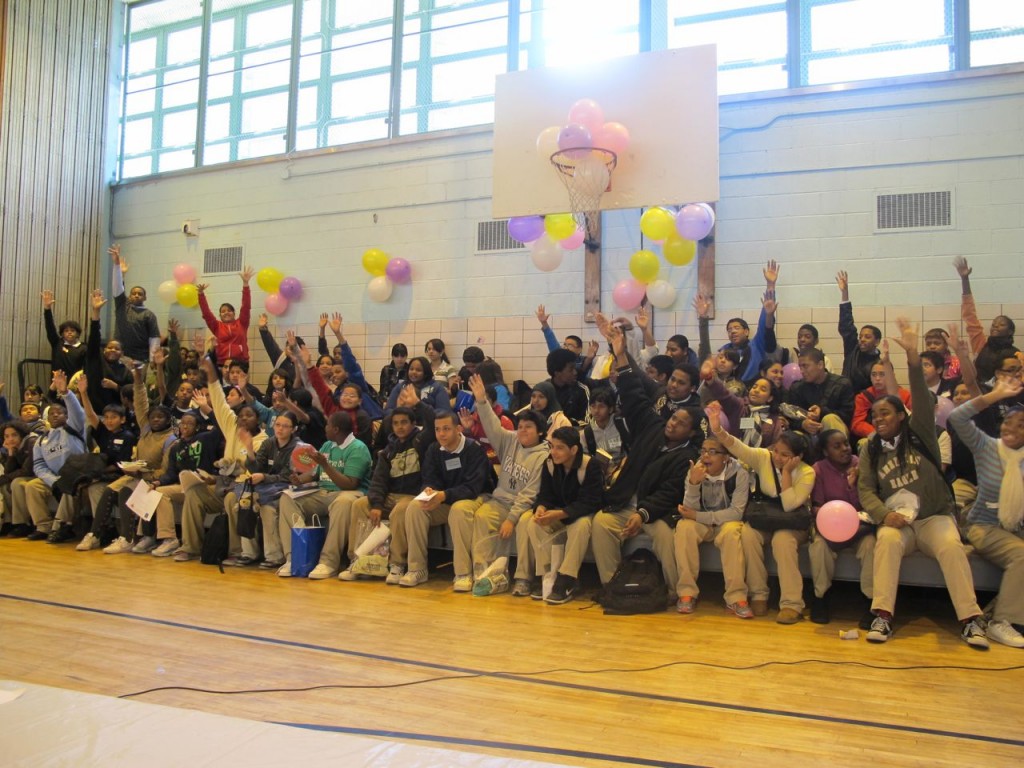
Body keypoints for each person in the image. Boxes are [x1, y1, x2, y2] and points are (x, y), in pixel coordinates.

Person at [857, 318, 989, 648]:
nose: (879, 420)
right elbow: (866, 490)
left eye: (885, 414)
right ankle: (882, 616)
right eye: (875, 416)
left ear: (902, 416)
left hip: (933, 518)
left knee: (950, 546)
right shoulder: (871, 448)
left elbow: (917, 389)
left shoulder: (922, 436)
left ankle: (971, 620)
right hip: (898, 523)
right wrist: (883, 515)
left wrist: (913, 356)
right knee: (885, 541)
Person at [590, 317, 701, 600]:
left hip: (656, 510)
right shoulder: (655, 421)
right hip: (629, 499)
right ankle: (612, 587)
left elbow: (669, 492)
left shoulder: (688, 450)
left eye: (680, 422)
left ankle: (676, 592)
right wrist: (619, 351)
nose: (673, 423)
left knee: (664, 536)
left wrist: (644, 513)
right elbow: (634, 391)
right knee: (602, 524)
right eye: (673, 417)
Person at [709, 403, 814, 624]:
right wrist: (719, 430)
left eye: (785, 455)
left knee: (783, 541)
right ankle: (758, 594)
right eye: (776, 450)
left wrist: (786, 473)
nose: (777, 457)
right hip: (766, 516)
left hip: (792, 523)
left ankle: (792, 604)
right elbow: (737, 447)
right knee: (748, 534)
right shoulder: (764, 457)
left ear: (798, 456)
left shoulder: (806, 472)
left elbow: (789, 506)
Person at [451, 373, 549, 596]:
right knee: (483, 516)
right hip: (500, 500)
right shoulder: (511, 439)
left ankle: (523, 578)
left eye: (528, 428)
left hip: (524, 507)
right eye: (520, 426)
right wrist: (481, 401)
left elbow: (531, 493)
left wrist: (511, 519)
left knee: (525, 523)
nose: (522, 431)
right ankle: (484, 574)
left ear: (540, 432)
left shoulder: (544, 455)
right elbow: (492, 426)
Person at [947, 378, 1024, 647]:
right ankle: (1000, 622)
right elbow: (957, 418)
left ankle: (990, 612)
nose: (1011, 429)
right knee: (1022, 556)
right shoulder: (987, 447)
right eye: (1008, 422)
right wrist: (994, 396)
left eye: (1021, 425)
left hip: (1016, 529)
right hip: (983, 526)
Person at [389, 410, 492, 589]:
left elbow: (473, 487)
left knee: (459, 510)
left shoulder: (473, 449)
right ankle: (417, 569)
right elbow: (429, 478)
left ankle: (463, 572)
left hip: (475, 496)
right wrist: (428, 491)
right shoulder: (434, 449)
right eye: (437, 429)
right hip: (445, 497)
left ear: (458, 429)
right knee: (415, 506)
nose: (441, 434)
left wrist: (444, 495)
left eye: (446, 429)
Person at [341, 402, 434, 586]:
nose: (400, 427)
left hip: (413, 496)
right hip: (391, 495)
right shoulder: (387, 451)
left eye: (404, 422)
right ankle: (358, 559)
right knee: (360, 504)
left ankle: (397, 564)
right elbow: (378, 481)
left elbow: (432, 425)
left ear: (413, 424)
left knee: (400, 510)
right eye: (396, 423)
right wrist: (376, 504)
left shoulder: (420, 442)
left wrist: (418, 403)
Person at [280, 411, 372, 579]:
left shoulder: (358, 448)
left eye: (328, 425)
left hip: (349, 493)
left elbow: (350, 484)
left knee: (343, 502)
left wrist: (326, 465)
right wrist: (299, 480)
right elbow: (315, 473)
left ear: (336, 429)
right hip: (323, 492)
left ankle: (328, 562)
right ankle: (294, 558)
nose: (325, 428)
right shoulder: (327, 446)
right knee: (287, 497)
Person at [673, 434, 752, 618]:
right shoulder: (695, 470)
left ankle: (736, 597)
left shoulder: (739, 473)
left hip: (727, 522)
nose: (705, 456)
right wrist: (693, 483)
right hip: (703, 523)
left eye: (712, 452)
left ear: (726, 457)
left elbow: (736, 512)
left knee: (732, 532)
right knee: (684, 527)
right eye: (703, 451)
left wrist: (697, 516)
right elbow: (689, 510)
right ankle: (686, 593)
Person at [525, 426, 605, 604]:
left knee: (581, 525)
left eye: (560, 448)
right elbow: (545, 494)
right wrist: (541, 508)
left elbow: (591, 502)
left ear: (574, 449)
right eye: (552, 446)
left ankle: (567, 580)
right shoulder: (549, 464)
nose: (554, 452)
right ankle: (547, 575)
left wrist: (561, 514)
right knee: (533, 523)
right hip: (559, 514)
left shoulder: (590, 465)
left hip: (582, 513)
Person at [807, 429, 875, 625]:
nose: (845, 449)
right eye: (837, 446)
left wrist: (851, 485)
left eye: (845, 444)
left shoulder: (860, 464)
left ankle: (871, 601)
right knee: (818, 546)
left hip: (859, 526)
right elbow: (816, 505)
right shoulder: (818, 469)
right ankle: (821, 598)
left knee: (870, 546)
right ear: (826, 451)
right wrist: (831, 518)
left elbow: (867, 504)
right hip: (829, 528)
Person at [12, 371, 87, 540]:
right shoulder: (41, 440)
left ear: (66, 416)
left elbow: (79, 413)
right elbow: (39, 466)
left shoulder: (73, 429)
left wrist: (66, 393)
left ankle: (60, 527)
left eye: (59, 413)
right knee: (32, 486)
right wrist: (53, 481)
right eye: (51, 413)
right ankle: (43, 526)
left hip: (77, 475)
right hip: (55, 479)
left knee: (69, 484)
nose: (54, 415)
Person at [955, 256, 1018, 383]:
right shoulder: (981, 344)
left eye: (1001, 324)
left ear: (1010, 331)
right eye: (994, 324)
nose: (995, 326)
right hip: (980, 394)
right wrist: (965, 280)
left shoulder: (1017, 354)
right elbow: (970, 316)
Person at [108, 244, 160, 362]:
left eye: (140, 294)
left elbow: (154, 338)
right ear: (129, 296)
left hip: (140, 358)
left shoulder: (149, 315)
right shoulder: (122, 306)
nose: (136, 295)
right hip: (119, 356)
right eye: (133, 293)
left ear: (145, 297)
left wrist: (153, 361)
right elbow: (118, 287)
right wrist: (117, 266)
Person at [786, 348, 855, 436]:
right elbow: (789, 418)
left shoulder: (842, 384)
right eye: (800, 367)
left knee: (830, 419)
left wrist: (822, 412)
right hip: (807, 435)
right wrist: (802, 424)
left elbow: (848, 417)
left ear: (820, 365)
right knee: (795, 435)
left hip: (836, 432)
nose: (802, 371)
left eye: (805, 366)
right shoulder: (797, 388)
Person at [836, 270, 882, 393]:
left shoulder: (879, 364)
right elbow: (847, 326)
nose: (862, 339)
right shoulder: (853, 349)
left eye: (867, 337)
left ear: (876, 341)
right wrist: (844, 294)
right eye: (861, 336)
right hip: (844, 400)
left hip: (865, 404)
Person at [196, 266, 254, 363]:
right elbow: (206, 313)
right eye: (223, 311)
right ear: (220, 315)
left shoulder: (242, 323)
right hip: (222, 363)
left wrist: (245, 284)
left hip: (241, 362)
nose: (226, 312)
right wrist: (201, 294)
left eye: (229, 310)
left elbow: (246, 306)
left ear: (234, 313)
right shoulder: (217, 326)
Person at [0, 421, 38, 537]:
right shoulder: (17, 447)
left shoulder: (31, 442)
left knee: (16, 483)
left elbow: (27, 470)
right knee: (4, 485)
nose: (10, 439)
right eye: (7, 436)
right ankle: (9, 522)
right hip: (28, 476)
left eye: (14, 435)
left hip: (38, 475)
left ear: (21, 433)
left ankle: (23, 524)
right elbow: (9, 471)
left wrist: (5, 477)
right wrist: (11, 453)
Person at [41, 289, 87, 380]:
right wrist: (47, 309)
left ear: (78, 333)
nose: (69, 332)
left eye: (72, 330)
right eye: (66, 331)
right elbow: (50, 328)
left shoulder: (83, 348)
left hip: (74, 385)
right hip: (56, 383)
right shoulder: (57, 343)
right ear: (62, 334)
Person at [546, 348, 590, 424]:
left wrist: (563, 423)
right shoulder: (543, 390)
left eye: (575, 368)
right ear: (557, 373)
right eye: (571, 369)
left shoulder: (581, 390)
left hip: (573, 433)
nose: (575, 372)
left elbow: (586, 422)